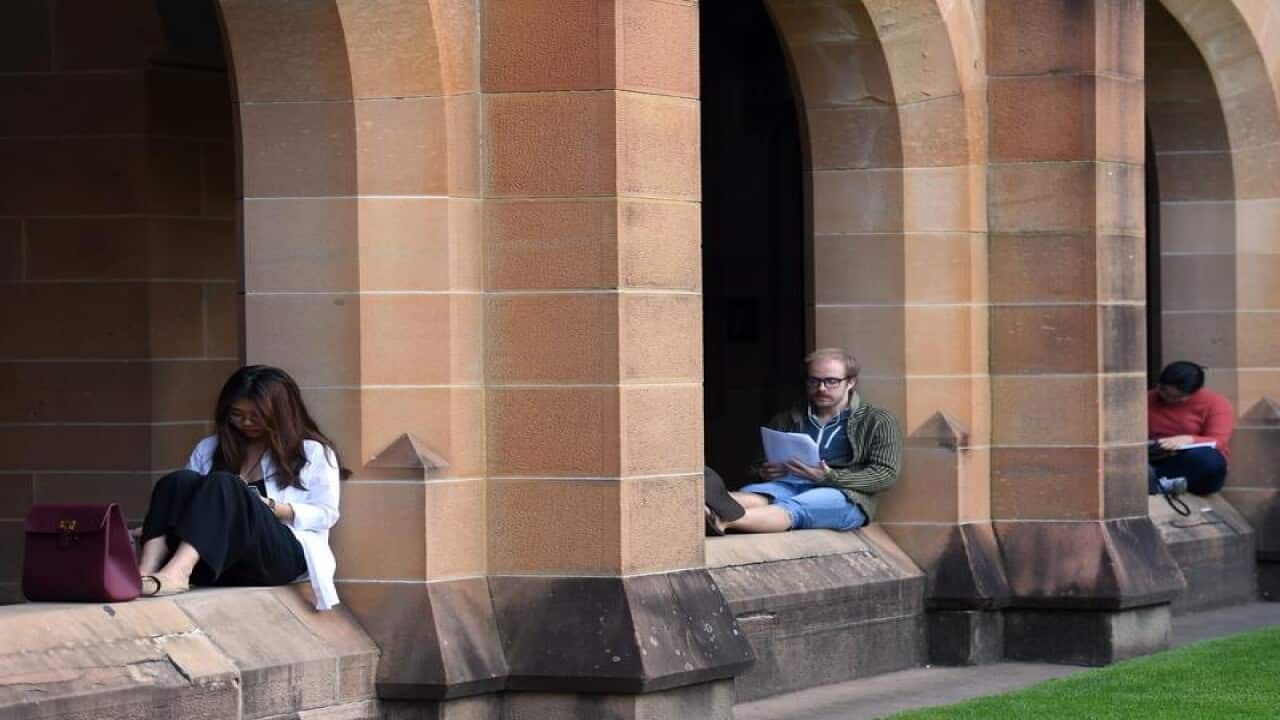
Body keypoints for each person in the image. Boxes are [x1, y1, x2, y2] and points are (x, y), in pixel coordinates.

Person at [136, 365, 345, 610]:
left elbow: (326, 514)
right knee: (177, 481)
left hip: (278, 557)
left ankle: (177, 573)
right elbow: (185, 499)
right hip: (220, 561)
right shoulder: (211, 448)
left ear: (281, 413)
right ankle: (145, 572)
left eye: (256, 415)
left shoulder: (311, 452)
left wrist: (274, 508)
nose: (246, 422)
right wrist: (157, 523)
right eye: (237, 414)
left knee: (223, 483)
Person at [705, 348, 902, 534]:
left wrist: (830, 477)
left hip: (844, 494)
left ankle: (724, 520)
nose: (821, 388)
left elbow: (885, 474)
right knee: (757, 494)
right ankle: (703, 508)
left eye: (831, 381)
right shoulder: (786, 418)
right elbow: (756, 466)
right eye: (814, 381)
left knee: (800, 506)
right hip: (788, 485)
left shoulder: (878, 420)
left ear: (850, 382)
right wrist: (764, 471)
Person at [1148, 360, 1234, 497]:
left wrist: (1189, 440)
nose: (1167, 398)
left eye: (1177, 397)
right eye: (1163, 391)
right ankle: (1160, 484)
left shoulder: (1216, 404)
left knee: (1208, 459)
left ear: (1194, 392)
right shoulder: (1148, 398)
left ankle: (1162, 484)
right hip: (1156, 458)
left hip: (1189, 461)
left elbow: (1219, 441)